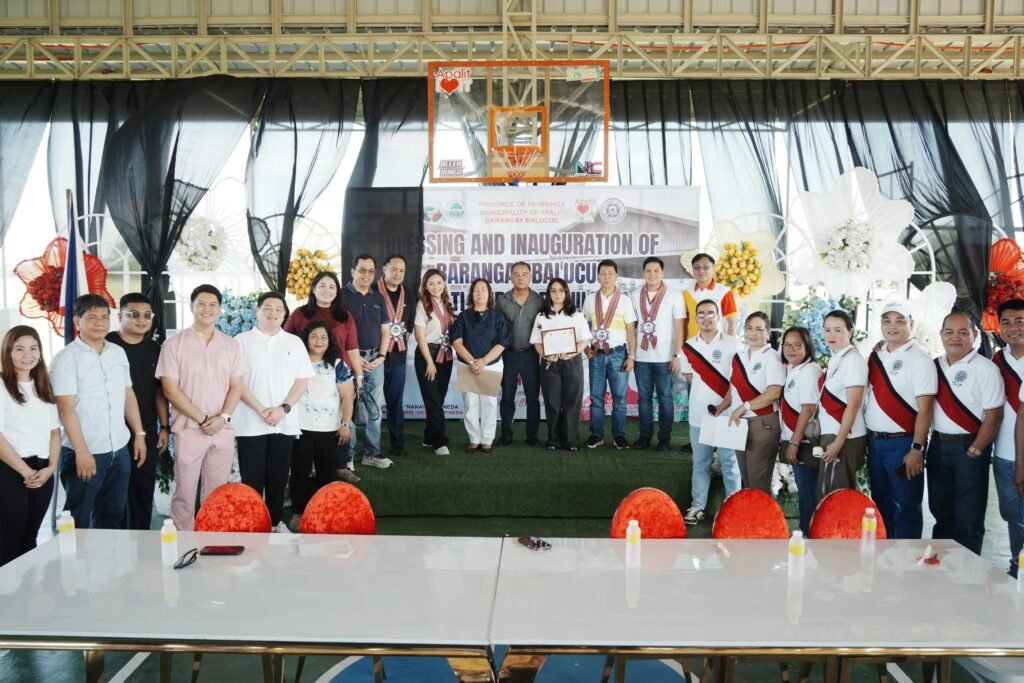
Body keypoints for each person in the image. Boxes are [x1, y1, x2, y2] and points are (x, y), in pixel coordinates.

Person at [51, 294, 146, 529]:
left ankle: (108, 556)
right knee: (78, 519)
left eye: (104, 317)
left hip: (119, 450)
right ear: (77, 321)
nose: (100, 323)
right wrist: (82, 451)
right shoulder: (66, 359)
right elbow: (65, 408)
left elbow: (128, 394)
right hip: (85, 451)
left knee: (112, 517)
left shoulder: (117, 352)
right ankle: (75, 556)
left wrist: (139, 434)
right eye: (92, 317)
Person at [157, 284, 245, 531]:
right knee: (185, 491)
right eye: (201, 304)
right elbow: (170, 390)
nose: (207, 309)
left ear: (220, 308)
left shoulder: (231, 345)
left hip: (222, 429)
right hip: (188, 429)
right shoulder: (174, 344)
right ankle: (182, 541)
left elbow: (236, 386)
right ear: (191, 307)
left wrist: (223, 418)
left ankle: (212, 538)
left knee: (217, 491)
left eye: (212, 304)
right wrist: (204, 419)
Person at [234, 292, 313, 532]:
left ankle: (275, 524)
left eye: (279, 309)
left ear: (285, 314)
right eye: (267, 308)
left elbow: (301, 381)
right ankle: (254, 527)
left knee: (278, 478)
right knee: (252, 480)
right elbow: (236, 382)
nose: (273, 313)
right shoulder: (241, 341)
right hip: (249, 423)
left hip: (283, 422)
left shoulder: (294, 342)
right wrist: (261, 410)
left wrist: (283, 409)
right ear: (257, 311)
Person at [930, 310, 1003, 555]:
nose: (955, 337)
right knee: (941, 513)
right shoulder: (934, 366)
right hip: (938, 446)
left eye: (963, 332)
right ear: (941, 334)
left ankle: (969, 573)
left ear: (975, 335)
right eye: (949, 332)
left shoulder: (986, 369)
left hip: (969, 447)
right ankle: (939, 567)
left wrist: (976, 449)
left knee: (968, 517)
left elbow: (994, 415)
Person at [864, 300, 936, 540]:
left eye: (899, 321)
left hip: (903, 444)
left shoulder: (921, 360)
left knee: (906, 507)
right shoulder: (876, 355)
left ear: (911, 324)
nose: (892, 326)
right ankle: (885, 557)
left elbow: (925, 410)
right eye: (887, 321)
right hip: (875, 443)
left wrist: (917, 449)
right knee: (881, 503)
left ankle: (907, 560)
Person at [106, 293, 170, 530]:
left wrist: (165, 427)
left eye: (146, 315)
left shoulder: (155, 349)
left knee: (142, 491)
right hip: (111, 431)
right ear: (120, 316)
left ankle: (142, 542)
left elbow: (160, 391)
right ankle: (116, 544)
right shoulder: (106, 344)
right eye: (134, 314)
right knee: (114, 496)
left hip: (146, 430)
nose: (141, 320)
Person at [0, 327, 60, 566]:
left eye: (33, 348)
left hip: (42, 470)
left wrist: (51, 468)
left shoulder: (43, 385)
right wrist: (26, 472)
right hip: (11, 471)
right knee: (9, 538)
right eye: (20, 349)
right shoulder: (2, 386)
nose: (28, 355)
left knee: (30, 537)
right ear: (8, 352)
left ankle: (26, 587)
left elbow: (54, 432)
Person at [679, 299, 741, 525]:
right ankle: (697, 506)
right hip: (699, 414)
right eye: (702, 314)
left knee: (729, 463)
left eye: (711, 313)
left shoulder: (733, 344)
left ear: (719, 317)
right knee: (700, 463)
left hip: (727, 415)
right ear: (696, 318)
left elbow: (739, 381)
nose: (706, 318)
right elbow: (690, 377)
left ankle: (734, 507)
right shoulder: (688, 346)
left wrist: (724, 404)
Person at [290, 321, 356, 531]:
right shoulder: (295, 363)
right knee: (299, 474)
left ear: (329, 341)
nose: (318, 341)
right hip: (299, 429)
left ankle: (326, 513)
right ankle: (298, 513)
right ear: (306, 340)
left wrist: (345, 423)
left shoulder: (338, 365)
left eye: (323, 337)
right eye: (314, 337)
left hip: (329, 430)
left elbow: (348, 396)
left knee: (326, 474)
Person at [341, 254, 392, 469]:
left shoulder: (378, 297)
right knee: (348, 408)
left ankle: (372, 452)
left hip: (375, 361)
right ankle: (348, 455)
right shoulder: (341, 296)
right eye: (362, 270)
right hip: (349, 360)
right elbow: (338, 333)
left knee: (375, 408)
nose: (367, 275)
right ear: (353, 271)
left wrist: (381, 356)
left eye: (371, 271)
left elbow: (385, 331)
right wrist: (355, 358)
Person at [531, 278, 592, 451]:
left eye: (561, 290)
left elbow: (585, 339)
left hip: (572, 362)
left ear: (566, 292)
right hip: (550, 363)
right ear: (549, 294)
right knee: (552, 401)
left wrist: (573, 352)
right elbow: (536, 341)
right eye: (553, 291)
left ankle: (571, 440)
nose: (557, 294)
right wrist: (545, 355)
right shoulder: (542, 316)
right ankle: (553, 439)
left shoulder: (576, 314)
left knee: (572, 401)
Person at [631, 256, 685, 450]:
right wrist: (631, 354)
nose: (652, 274)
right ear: (643, 273)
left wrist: (677, 355)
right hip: (641, 357)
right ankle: (645, 436)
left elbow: (679, 328)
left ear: (663, 272)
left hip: (665, 358)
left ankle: (664, 438)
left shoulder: (674, 295)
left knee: (665, 398)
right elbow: (632, 326)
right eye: (648, 271)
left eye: (656, 271)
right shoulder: (635, 295)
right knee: (643, 398)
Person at [727, 311, 785, 493]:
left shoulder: (772, 357)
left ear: (768, 333)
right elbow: (733, 388)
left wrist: (744, 407)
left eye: (759, 329)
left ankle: (765, 513)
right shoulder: (739, 356)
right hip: (740, 423)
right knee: (747, 479)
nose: (753, 333)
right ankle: (751, 512)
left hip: (763, 423)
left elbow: (774, 393)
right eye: (749, 328)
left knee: (758, 482)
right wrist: (722, 407)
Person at [582, 259, 637, 450]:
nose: (607, 277)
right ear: (598, 277)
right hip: (596, 354)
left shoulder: (625, 300)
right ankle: (596, 435)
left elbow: (631, 330)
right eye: (603, 273)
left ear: (616, 276)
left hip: (618, 354)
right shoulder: (590, 299)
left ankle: (619, 436)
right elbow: (583, 327)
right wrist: (585, 348)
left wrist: (631, 357)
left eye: (610, 273)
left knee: (619, 399)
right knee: (596, 397)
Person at [452, 278, 510, 453]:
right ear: (471, 294)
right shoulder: (463, 316)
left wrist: (483, 361)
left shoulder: (497, 316)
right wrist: (472, 362)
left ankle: (487, 439)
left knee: (489, 403)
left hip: (491, 366)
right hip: (467, 366)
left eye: (484, 290)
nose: (480, 293)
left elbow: (502, 342)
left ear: (489, 294)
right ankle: (474, 439)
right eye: (476, 290)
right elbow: (457, 342)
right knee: (470, 404)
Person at [817, 310, 868, 499]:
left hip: (845, 436)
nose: (831, 335)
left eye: (837, 330)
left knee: (838, 497)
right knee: (828, 493)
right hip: (834, 432)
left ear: (850, 332)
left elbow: (853, 405)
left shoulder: (853, 361)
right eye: (827, 330)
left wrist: (838, 443)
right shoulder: (838, 357)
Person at [780, 326, 824, 535]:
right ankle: (807, 529)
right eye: (787, 345)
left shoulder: (809, 371)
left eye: (797, 345)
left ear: (808, 347)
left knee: (808, 490)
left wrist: (794, 443)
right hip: (796, 439)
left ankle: (807, 532)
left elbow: (808, 409)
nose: (791, 349)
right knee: (805, 489)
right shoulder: (793, 368)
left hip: (804, 442)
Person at [495, 261, 544, 447]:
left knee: (532, 397)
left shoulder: (540, 301)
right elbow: (496, 328)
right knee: (507, 396)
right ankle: (506, 434)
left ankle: (532, 435)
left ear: (530, 277)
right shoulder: (502, 301)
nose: (520, 277)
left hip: (531, 354)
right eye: (516, 274)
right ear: (511, 277)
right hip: (509, 355)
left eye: (524, 274)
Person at [284, 270, 363, 382]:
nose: (327, 290)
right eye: (322, 286)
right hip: (307, 372)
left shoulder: (345, 316)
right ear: (313, 289)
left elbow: (352, 349)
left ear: (337, 292)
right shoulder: (299, 314)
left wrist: (359, 376)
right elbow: (285, 343)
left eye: (332, 287)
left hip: (339, 374)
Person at [414, 268, 456, 456]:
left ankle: (429, 436)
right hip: (427, 355)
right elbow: (419, 337)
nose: (436, 287)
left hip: (445, 355)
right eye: (431, 283)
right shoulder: (422, 305)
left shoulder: (447, 303)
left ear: (444, 284)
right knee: (433, 400)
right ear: (425, 286)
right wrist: (429, 362)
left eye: (439, 282)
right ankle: (440, 441)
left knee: (438, 398)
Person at [378, 255, 416, 458]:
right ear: (384, 269)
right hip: (374, 356)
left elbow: (409, 325)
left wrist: (398, 343)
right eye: (394, 269)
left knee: (395, 401)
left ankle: (397, 442)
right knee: (369, 402)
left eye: (401, 270)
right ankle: (369, 445)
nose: (398, 274)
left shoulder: (408, 295)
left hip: (398, 356)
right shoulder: (373, 292)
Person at [997, 299, 1024, 576]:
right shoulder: (996, 360)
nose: (1013, 327)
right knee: (1013, 516)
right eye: (1006, 322)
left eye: (1020, 321)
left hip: (1021, 456)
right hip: (1003, 454)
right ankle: (1017, 566)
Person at [683, 253, 739, 340]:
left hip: (717, 343)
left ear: (713, 269)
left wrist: (729, 344)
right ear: (693, 270)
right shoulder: (687, 293)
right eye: (697, 267)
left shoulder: (724, 292)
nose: (701, 271)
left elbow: (732, 322)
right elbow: (684, 322)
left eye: (705, 267)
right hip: (692, 344)